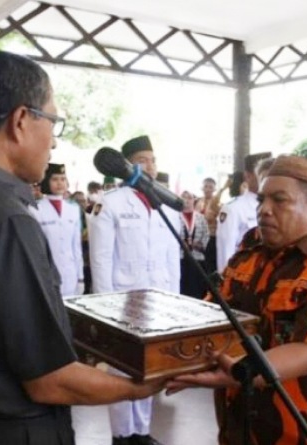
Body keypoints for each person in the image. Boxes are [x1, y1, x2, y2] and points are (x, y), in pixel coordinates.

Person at [0, 51, 163, 445]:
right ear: (21, 121)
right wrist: (139, 386)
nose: (54, 141)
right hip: (17, 432)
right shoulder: (5, 219)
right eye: (53, 122)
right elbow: (51, 381)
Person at [168, 155, 307, 445]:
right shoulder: (247, 254)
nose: (264, 210)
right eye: (262, 200)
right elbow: (211, 314)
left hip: (297, 430)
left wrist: (241, 373)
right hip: (236, 425)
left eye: (280, 200)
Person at [88, 135, 181, 445]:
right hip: (123, 301)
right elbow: (101, 258)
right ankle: (121, 435)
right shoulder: (110, 202)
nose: (150, 166)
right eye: (142, 160)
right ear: (126, 165)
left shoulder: (166, 204)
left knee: (150, 368)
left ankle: (141, 431)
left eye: (153, 160)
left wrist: (176, 302)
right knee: (121, 369)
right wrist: (105, 306)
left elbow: (173, 258)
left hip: (159, 299)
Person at [34, 163, 84, 297]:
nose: (60, 183)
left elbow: (76, 247)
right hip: (46, 274)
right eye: (55, 179)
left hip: (70, 274)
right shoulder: (35, 209)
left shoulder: (73, 209)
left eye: (63, 179)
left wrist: (80, 277)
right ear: (46, 181)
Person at [216, 152, 271, 273]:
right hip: (244, 274)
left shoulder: (278, 207)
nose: (268, 180)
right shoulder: (233, 208)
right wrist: (225, 279)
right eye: (262, 175)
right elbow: (226, 252)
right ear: (248, 176)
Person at [179, 190, 209, 299]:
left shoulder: (201, 218)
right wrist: (182, 243)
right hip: (180, 258)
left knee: (196, 289)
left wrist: (198, 245)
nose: (186, 200)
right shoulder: (175, 215)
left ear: (194, 200)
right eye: (184, 197)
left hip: (197, 258)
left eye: (189, 198)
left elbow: (206, 235)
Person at [203, 177, 230, 273]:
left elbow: (213, 203)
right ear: (202, 187)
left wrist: (223, 188)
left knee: (211, 269)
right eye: (206, 186)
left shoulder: (219, 205)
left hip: (212, 238)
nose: (208, 189)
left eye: (210, 187)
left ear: (214, 189)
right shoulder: (196, 202)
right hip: (198, 242)